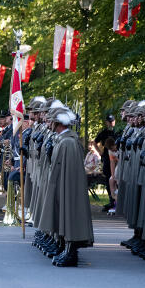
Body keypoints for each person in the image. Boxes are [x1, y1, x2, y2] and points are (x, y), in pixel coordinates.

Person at [37, 107, 94, 267]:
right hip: (61, 186)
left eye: (51, 121)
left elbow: (68, 171)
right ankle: (65, 247)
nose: (49, 124)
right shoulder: (64, 140)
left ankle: (70, 251)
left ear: (58, 123)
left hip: (67, 188)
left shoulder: (68, 142)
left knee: (69, 217)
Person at [95, 114, 116, 211]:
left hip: (116, 158)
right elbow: (95, 142)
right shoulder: (103, 133)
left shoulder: (117, 132)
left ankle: (116, 201)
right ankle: (112, 200)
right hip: (107, 159)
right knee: (109, 179)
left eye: (112, 121)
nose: (111, 123)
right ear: (106, 122)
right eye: (109, 121)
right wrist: (100, 152)